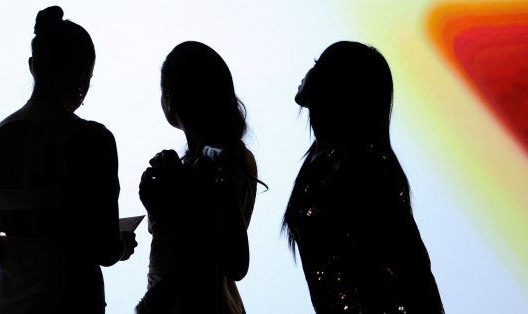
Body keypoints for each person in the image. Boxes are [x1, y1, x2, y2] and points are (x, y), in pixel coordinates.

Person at [0, 6, 137, 313]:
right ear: (84, 74)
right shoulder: (91, 140)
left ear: (33, 66)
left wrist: (26, 243)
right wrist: (121, 245)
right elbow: (105, 249)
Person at [283, 41, 445, 313]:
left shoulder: (362, 164)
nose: (308, 73)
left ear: (339, 87)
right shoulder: (325, 161)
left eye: (318, 65)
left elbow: (411, 270)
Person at [135, 41, 262, 314]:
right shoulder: (238, 159)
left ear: (170, 99)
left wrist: (161, 204)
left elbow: (226, 257)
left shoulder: (212, 167)